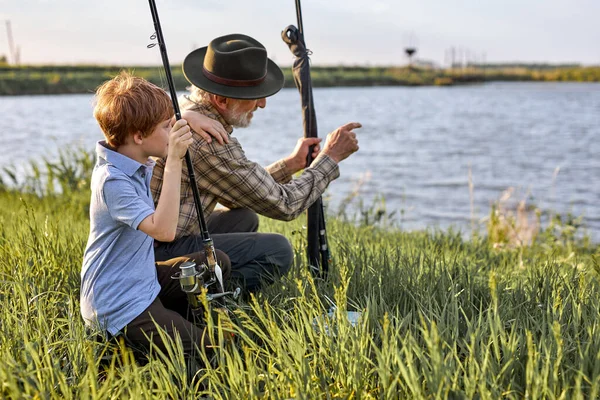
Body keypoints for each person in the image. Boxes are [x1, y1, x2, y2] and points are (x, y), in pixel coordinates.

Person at [151, 33, 360, 293]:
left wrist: (292, 164)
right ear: (221, 100)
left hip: (164, 236)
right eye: (255, 95)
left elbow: (237, 195)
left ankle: (210, 281)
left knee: (243, 216)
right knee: (278, 251)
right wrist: (331, 158)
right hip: (160, 250)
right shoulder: (209, 141)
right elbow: (285, 204)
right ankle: (210, 298)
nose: (262, 104)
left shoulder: (186, 108)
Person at [80, 71, 231, 360]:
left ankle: (188, 324)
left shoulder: (133, 158)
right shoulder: (112, 181)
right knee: (218, 352)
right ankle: (161, 343)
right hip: (120, 304)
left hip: (141, 278)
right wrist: (173, 160)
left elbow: (153, 128)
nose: (174, 129)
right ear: (138, 136)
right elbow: (164, 232)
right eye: (167, 126)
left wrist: (188, 118)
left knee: (216, 264)